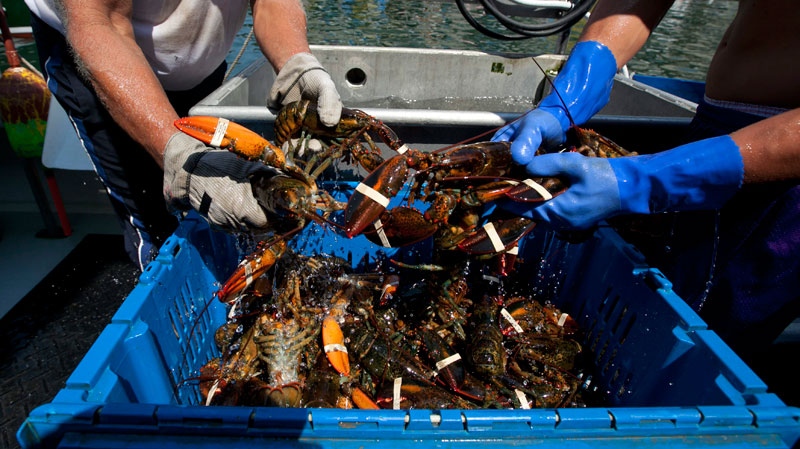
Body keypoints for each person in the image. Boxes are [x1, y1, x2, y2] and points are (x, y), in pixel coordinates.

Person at [492, 0, 800, 364]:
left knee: (698, 353)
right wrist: (570, 96)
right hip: (710, 134)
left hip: (783, 175)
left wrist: (642, 180)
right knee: (647, 326)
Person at [23, 0, 342, 270]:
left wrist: (296, 63)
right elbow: (98, 22)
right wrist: (174, 149)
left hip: (198, 59)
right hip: (103, 55)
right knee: (155, 222)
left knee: (230, 196)